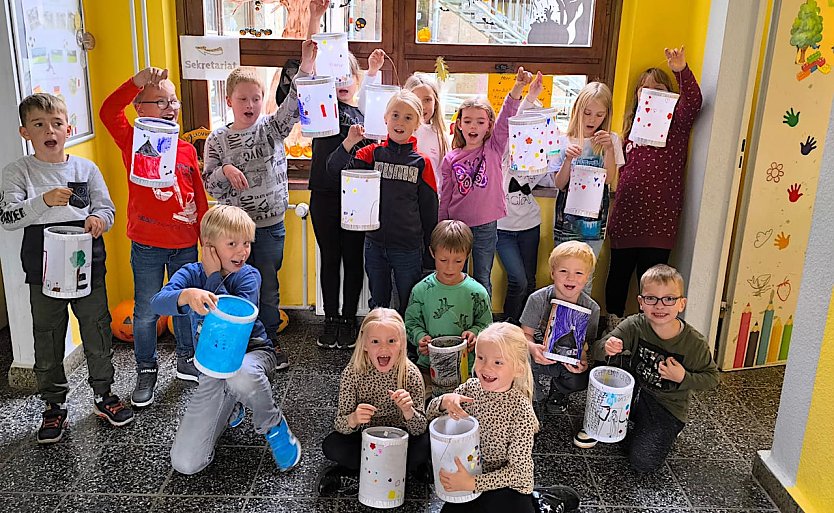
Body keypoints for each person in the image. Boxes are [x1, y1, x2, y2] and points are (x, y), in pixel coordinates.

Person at [1, 93, 134, 443]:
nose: (50, 130)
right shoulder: (19, 172)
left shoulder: (84, 169)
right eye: (39, 124)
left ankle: (104, 395)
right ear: (24, 131)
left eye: (57, 123)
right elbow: (8, 217)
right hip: (42, 267)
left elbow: (107, 209)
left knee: (97, 328)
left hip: (86, 262)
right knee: (46, 335)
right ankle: (54, 405)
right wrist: (42, 201)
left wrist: (96, 219)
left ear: (68, 129)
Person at [151, 205, 302, 474]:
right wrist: (186, 296)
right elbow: (157, 304)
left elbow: (229, 323)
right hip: (212, 368)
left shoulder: (248, 275)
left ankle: (274, 426)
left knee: (239, 375)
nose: (242, 251)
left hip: (252, 356)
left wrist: (211, 277)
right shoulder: (189, 274)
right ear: (208, 246)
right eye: (232, 243)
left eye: (246, 243)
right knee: (185, 464)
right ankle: (232, 403)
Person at [202, 40, 316, 370]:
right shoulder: (217, 139)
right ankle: (233, 341)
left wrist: (305, 67)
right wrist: (225, 170)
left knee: (266, 286)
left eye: (256, 98)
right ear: (229, 101)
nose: (250, 104)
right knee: (231, 286)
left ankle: (268, 343)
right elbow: (209, 182)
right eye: (243, 99)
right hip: (231, 233)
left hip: (268, 228)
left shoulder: (271, 128)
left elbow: (294, 106)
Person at [100, 66, 209, 407]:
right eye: (159, 101)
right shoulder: (134, 141)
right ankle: (146, 370)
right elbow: (107, 111)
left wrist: (206, 240)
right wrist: (135, 81)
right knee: (146, 311)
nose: (170, 106)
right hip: (147, 244)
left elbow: (199, 195)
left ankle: (185, 359)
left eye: (173, 100)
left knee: (186, 307)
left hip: (185, 244)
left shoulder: (187, 149)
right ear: (139, 108)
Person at [427, 323, 580, 513]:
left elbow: (518, 473)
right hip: (472, 474)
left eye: (498, 362)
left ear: (518, 369)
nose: (486, 367)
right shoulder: (470, 388)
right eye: (481, 358)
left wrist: (472, 483)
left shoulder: (520, 410)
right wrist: (444, 401)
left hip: (507, 484)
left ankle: (544, 502)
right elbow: (430, 415)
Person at [605, 47, 703, 331]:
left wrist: (680, 69)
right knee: (619, 272)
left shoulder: (677, 126)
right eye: (644, 90)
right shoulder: (629, 130)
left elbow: (694, 102)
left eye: (658, 90)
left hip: (660, 217)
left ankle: (646, 328)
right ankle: (615, 324)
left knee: (652, 279)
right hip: (627, 212)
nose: (650, 94)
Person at [591, 264, 718, 469]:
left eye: (669, 299)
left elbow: (712, 378)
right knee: (608, 434)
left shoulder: (695, 343)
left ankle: (663, 430)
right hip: (634, 394)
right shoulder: (634, 325)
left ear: (681, 304)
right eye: (651, 298)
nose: (659, 306)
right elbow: (596, 350)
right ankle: (637, 426)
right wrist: (607, 347)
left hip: (667, 406)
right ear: (641, 302)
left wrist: (683, 377)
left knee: (643, 463)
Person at [327, 90, 438, 316]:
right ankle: (377, 347)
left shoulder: (422, 164)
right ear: (385, 118)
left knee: (409, 301)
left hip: (408, 248)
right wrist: (349, 142)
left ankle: (408, 346)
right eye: (395, 115)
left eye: (408, 117)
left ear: (417, 124)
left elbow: (429, 211)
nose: (400, 122)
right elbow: (333, 170)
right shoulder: (371, 154)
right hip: (375, 244)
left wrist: (429, 251)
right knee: (378, 302)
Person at [439, 67, 531, 297]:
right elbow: (446, 197)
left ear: (488, 126)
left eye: (480, 122)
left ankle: (483, 326)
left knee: (481, 276)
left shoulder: (493, 148)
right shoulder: (450, 158)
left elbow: (506, 119)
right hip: (456, 226)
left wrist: (517, 88)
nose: (473, 126)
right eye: (468, 121)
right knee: (456, 277)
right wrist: (440, 227)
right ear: (459, 124)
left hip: (486, 226)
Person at [317, 308, 429, 495]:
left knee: (426, 445)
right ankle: (399, 468)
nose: (383, 348)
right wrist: (353, 418)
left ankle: (364, 469)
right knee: (332, 446)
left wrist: (409, 411)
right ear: (365, 344)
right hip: (365, 438)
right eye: (375, 341)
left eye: (391, 341)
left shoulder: (410, 374)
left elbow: (420, 428)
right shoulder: (353, 373)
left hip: (400, 438)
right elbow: (340, 424)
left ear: (401, 344)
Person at [552, 81, 624, 293]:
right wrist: (567, 160)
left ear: (607, 115)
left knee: (586, 279)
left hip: (594, 222)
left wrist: (609, 149)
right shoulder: (564, 139)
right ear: (577, 110)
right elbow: (559, 183)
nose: (592, 120)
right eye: (587, 113)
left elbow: (610, 179)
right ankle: (558, 324)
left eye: (599, 115)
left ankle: (581, 326)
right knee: (562, 275)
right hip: (566, 219)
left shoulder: (611, 140)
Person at [497, 71, 554, 324]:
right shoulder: (503, 153)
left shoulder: (541, 158)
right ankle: (508, 325)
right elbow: (514, 120)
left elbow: (553, 180)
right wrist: (529, 95)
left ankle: (525, 329)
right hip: (502, 229)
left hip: (530, 226)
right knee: (517, 279)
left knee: (529, 281)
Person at [405, 220, 491, 379]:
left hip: (468, 368)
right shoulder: (420, 290)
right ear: (433, 253)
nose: (450, 267)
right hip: (428, 365)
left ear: (467, 254)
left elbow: (486, 325)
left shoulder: (478, 292)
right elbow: (411, 323)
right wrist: (419, 338)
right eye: (443, 260)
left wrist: (474, 333)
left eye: (458, 261)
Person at [520, 242, 599, 414]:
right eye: (564, 271)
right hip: (537, 357)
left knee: (580, 379)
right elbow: (526, 334)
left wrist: (582, 360)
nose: (571, 278)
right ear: (553, 273)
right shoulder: (537, 299)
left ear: (587, 278)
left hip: (565, 360)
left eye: (579, 273)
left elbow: (584, 343)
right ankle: (534, 396)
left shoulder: (592, 309)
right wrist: (533, 348)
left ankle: (559, 391)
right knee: (519, 362)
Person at [403, 73, 450, 194]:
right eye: (416, 99)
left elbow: (444, 178)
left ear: (436, 102)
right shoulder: (398, 131)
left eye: (427, 100)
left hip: (430, 203)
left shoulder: (441, 137)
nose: (422, 106)